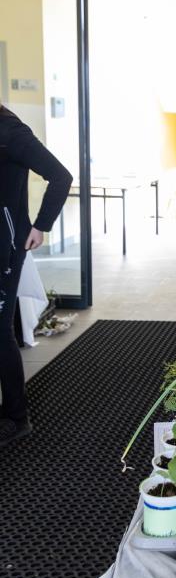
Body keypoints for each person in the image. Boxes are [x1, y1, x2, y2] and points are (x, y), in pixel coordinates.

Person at [0, 105, 72, 446]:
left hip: (5, 245)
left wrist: (41, 225)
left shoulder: (10, 132)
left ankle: (17, 417)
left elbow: (61, 176)